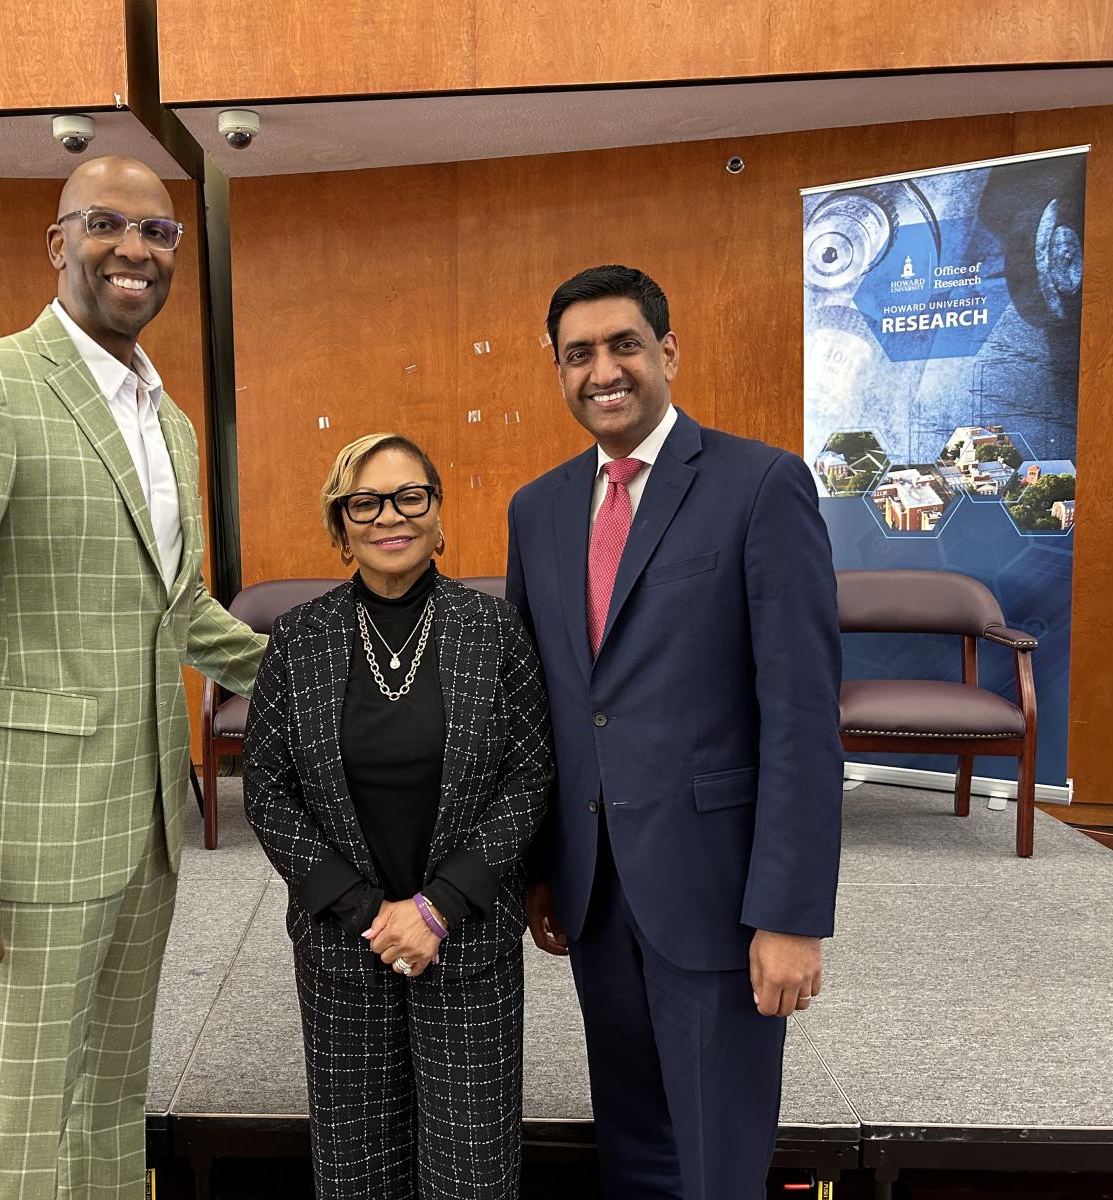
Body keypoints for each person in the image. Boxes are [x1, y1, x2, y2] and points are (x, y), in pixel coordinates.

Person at [0, 155, 267, 1200]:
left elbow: (180, 608)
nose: (134, 250)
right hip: (23, 842)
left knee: (108, 1106)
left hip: (142, 830)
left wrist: (337, 672)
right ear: (58, 243)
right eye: (106, 225)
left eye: (158, 234)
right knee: (24, 1121)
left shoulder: (165, 421)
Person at [506, 264, 843, 1199]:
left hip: (719, 895)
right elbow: (544, 707)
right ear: (559, 370)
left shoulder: (761, 483)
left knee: (719, 1164)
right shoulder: (536, 510)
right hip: (593, 891)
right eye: (579, 354)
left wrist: (791, 912)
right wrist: (541, 866)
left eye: (623, 345)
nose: (602, 371)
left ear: (668, 352)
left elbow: (804, 716)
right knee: (635, 1148)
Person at [243, 433, 553, 1200]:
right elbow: (266, 790)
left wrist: (438, 907)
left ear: (439, 517)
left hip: (468, 940)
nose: (391, 516)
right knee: (354, 1172)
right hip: (343, 946)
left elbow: (531, 774)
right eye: (366, 502)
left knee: (472, 1173)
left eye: (411, 496)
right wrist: (367, 913)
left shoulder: (493, 628)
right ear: (341, 527)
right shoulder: (299, 636)